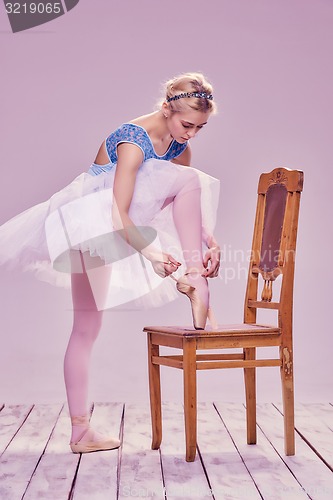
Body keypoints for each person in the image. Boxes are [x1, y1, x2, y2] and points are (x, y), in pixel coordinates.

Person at [0, 72, 221, 453]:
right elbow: (117, 214)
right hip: (94, 224)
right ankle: (195, 280)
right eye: (187, 125)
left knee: (187, 181)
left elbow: (178, 199)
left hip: (118, 222)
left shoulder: (178, 146)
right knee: (86, 326)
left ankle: (195, 276)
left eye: (200, 128)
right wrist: (151, 254)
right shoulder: (132, 141)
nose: (191, 134)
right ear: (167, 109)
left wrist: (210, 241)